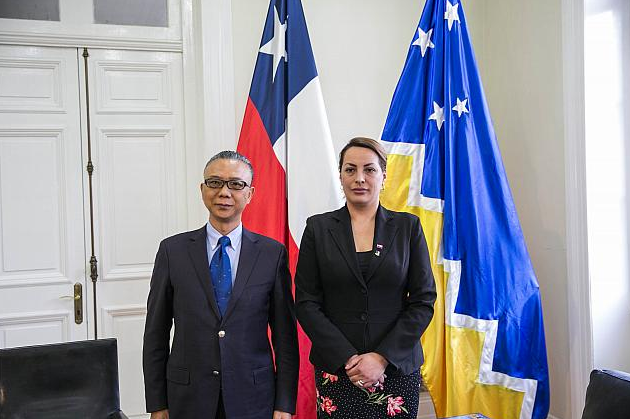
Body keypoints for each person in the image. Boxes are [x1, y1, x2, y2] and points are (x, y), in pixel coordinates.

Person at [143, 151, 299, 419]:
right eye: (215, 182)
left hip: (253, 398)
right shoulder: (172, 251)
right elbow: (155, 334)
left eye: (236, 184)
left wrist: (284, 404)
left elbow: (285, 337)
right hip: (188, 398)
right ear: (202, 190)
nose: (224, 192)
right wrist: (157, 404)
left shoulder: (272, 254)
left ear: (249, 194)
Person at [295, 137, 437, 418]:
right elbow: (306, 302)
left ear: (384, 176)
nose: (359, 178)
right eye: (350, 169)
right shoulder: (318, 228)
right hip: (338, 370)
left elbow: (423, 301)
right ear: (340, 176)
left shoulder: (408, 228)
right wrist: (348, 358)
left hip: (395, 370)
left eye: (369, 169)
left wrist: (381, 358)